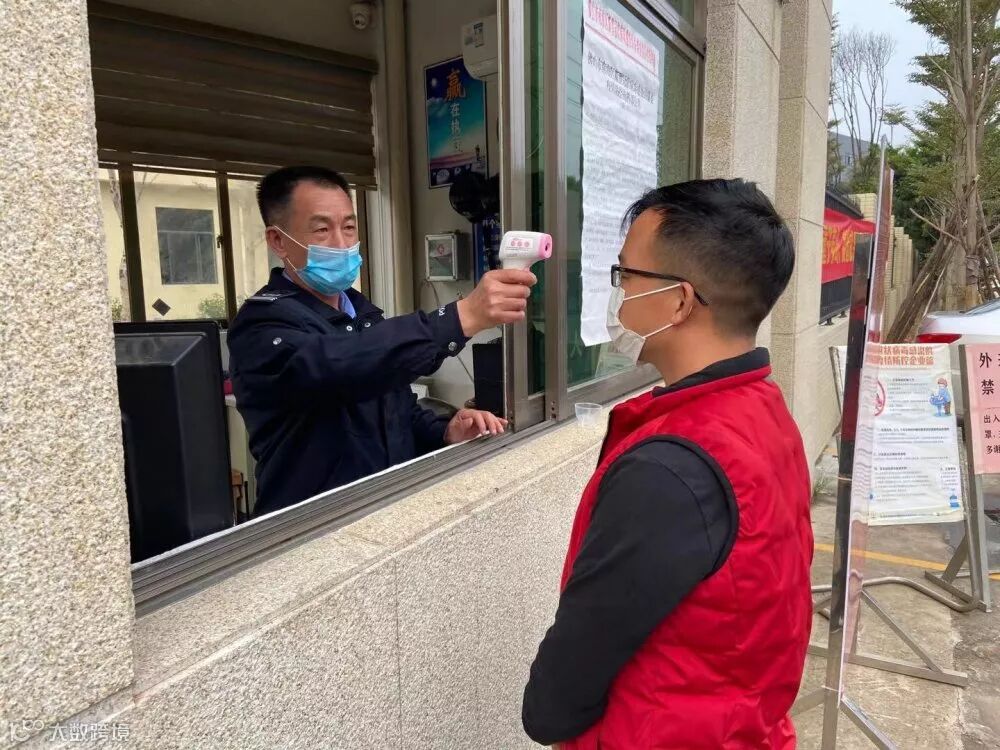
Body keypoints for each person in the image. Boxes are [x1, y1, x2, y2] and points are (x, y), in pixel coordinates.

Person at [522, 178, 814, 749]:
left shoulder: (670, 466)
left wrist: (545, 710)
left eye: (625, 275)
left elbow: (561, 692)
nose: (617, 293)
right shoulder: (762, 408)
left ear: (679, 301)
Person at [227, 166, 535, 516]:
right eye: (322, 229)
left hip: (384, 510)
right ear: (278, 241)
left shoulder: (360, 312)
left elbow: (395, 409)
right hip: (311, 527)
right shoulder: (261, 327)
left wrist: (445, 431)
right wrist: (460, 317)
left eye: (349, 227)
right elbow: (342, 367)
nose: (342, 244)